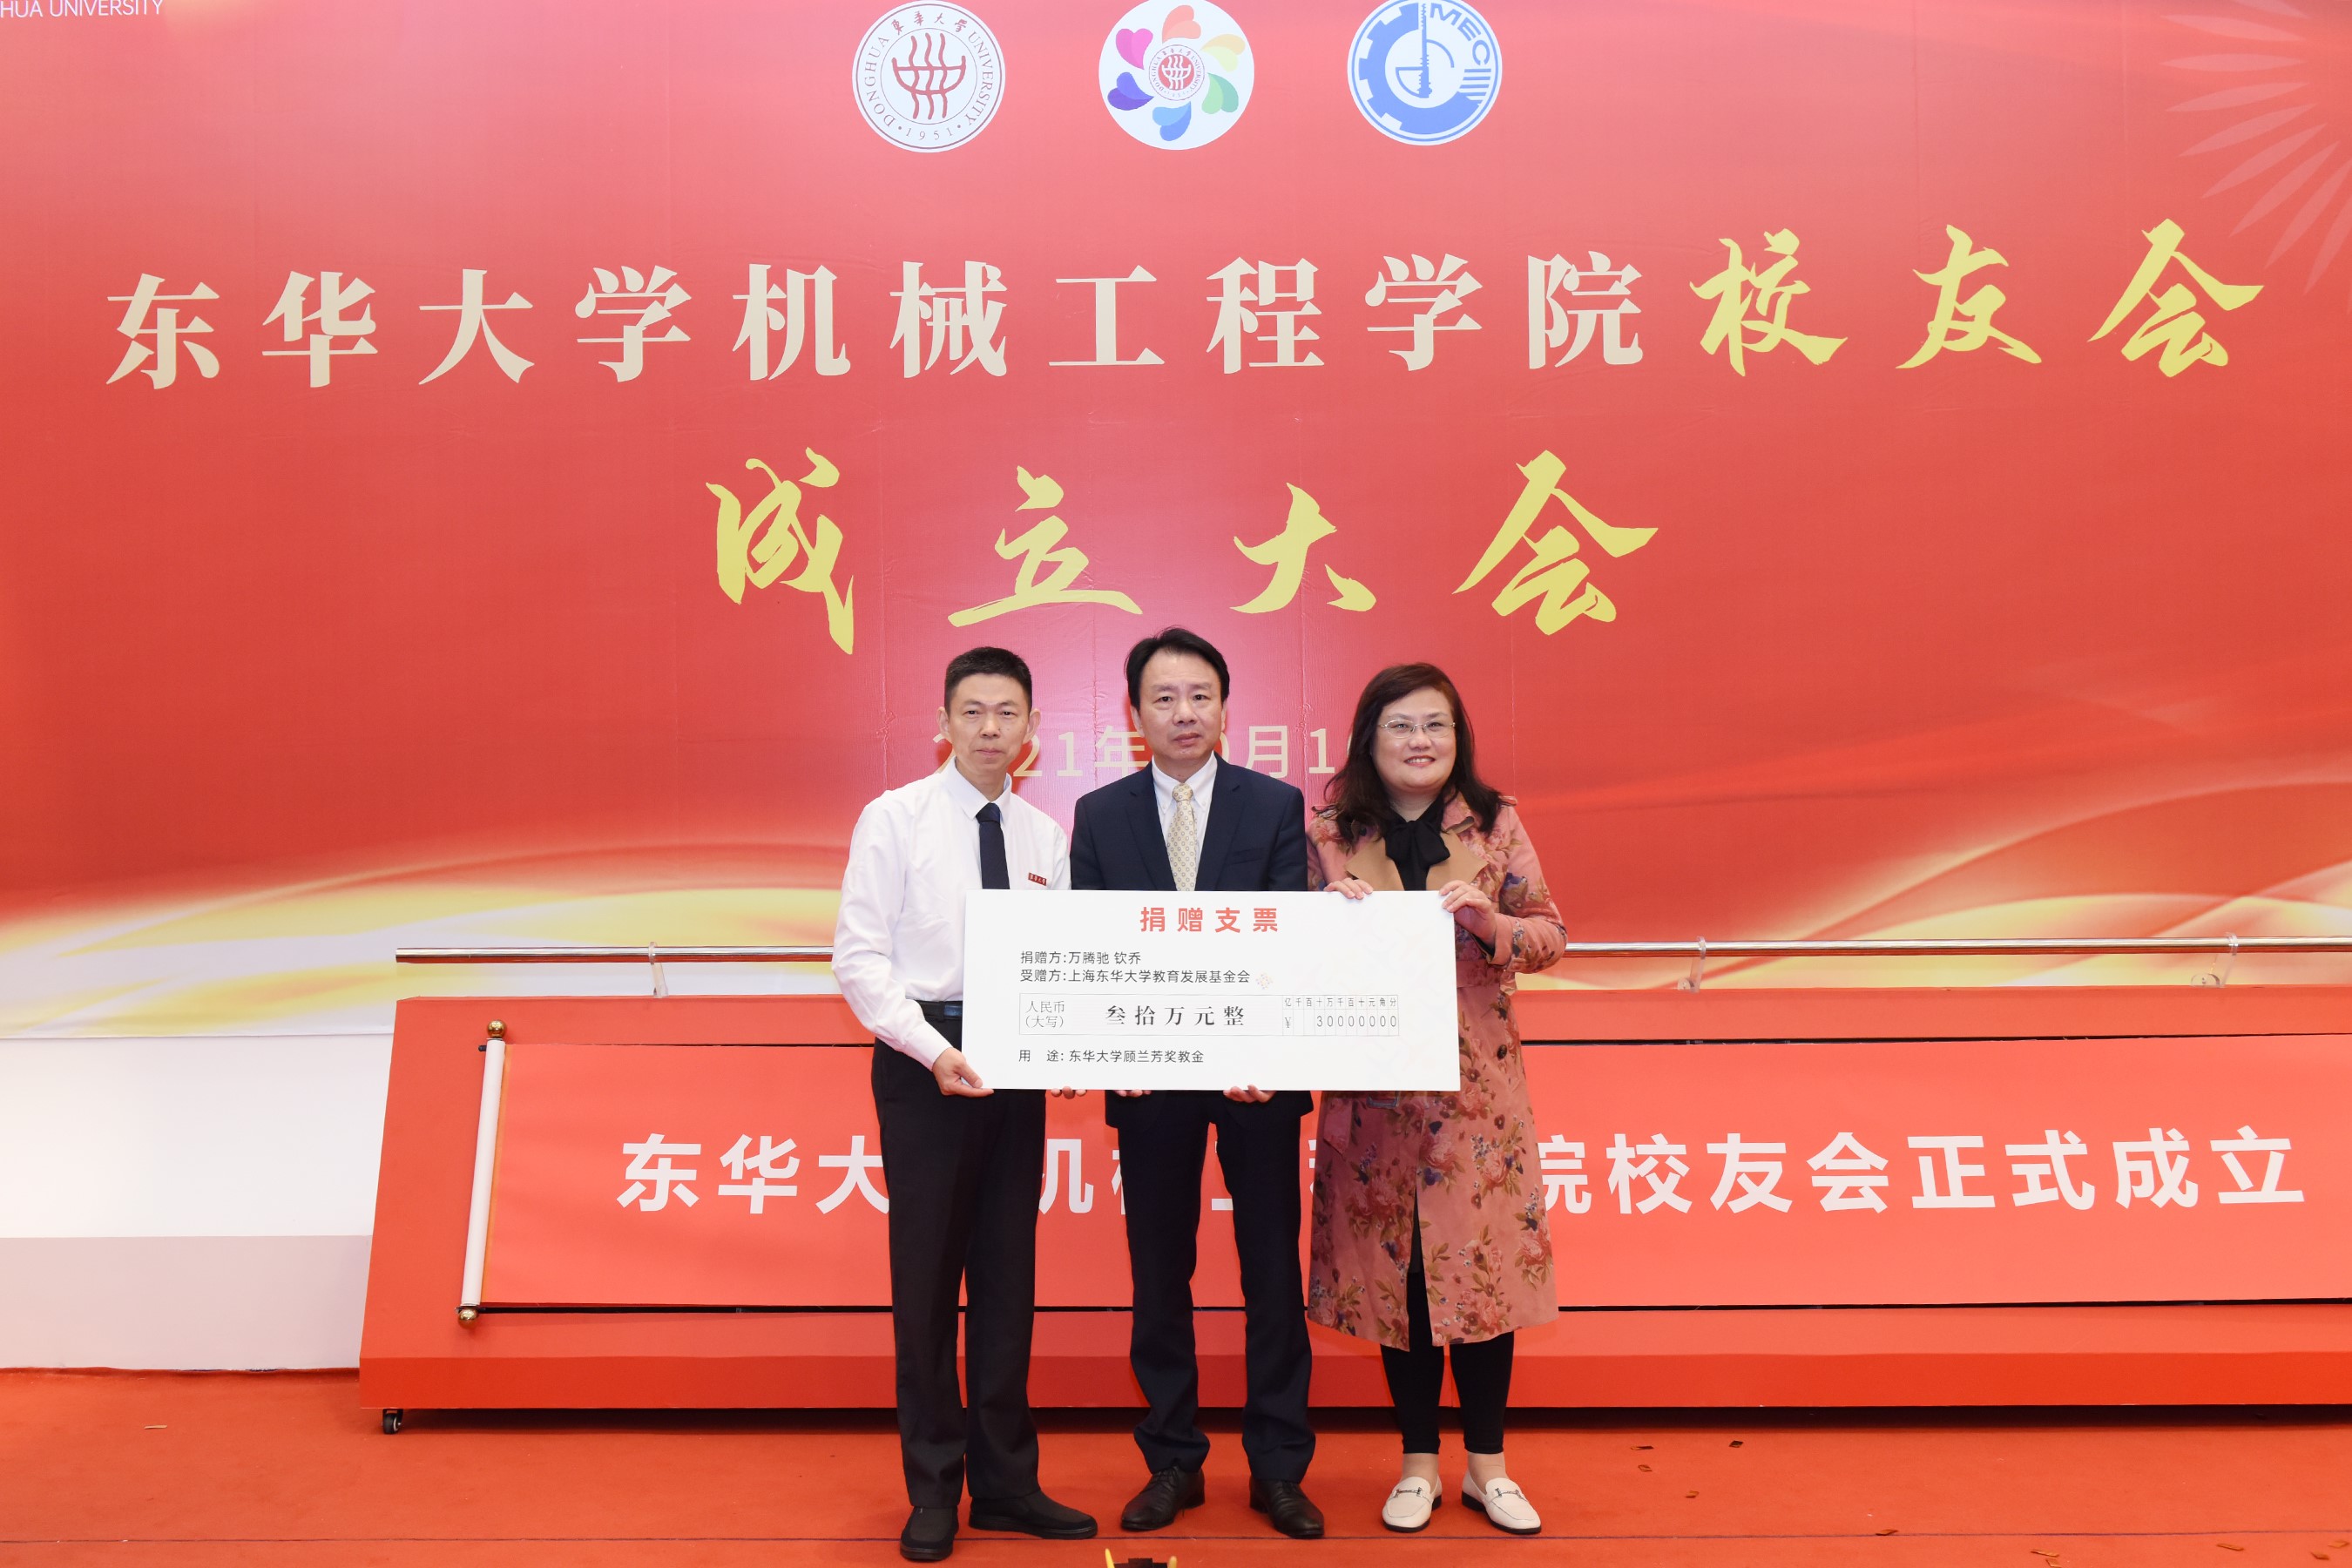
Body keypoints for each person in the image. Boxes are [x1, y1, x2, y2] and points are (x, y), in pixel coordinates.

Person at [832, 646, 1098, 1563]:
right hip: (926, 1062)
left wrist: (1065, 1046)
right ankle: (933, 1486)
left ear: (1033, 729)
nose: (991, 729)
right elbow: (859, 958)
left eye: (1007, 713)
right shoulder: (895, 818)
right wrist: (935, 1051)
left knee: (1006, 1278)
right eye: (973, 712)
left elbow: (1063, 957)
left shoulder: (1044, 836)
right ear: (943, 722)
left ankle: (1008, 1485)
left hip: (1016, 1062)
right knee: (926, 1283)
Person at [1068, 627, 1325, 1541]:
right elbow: (1093, 948)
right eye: (1164, 698)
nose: (1184, 713)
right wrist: (1112, 1049)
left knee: (1271, 1273)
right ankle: (1172, 1461)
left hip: (1256, 1079)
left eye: (1200, 696)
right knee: (1159, 1272)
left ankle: (1279, 1468)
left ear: (1225, 707)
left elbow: (1290, 937)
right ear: (1135, 715)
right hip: (1151, 1080)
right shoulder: (1100, 815)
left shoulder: (1275, 803)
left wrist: (1270, 1051)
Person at [1308, 662, 1565, 1537]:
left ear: (1458, 738)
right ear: (1369, 740)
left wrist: (1493, 924)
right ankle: (1418, 1462)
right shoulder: (1331, 832)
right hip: (1374, 1098)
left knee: (1484, 1275)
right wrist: (1324, 914)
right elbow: (1285, 953)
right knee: (1401, 1278)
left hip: (1476, 1097)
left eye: (1436, 725)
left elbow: (1552, 934)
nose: (1420, 741)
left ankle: (1488, 1467)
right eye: (1401, 726)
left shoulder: (1495, 824)